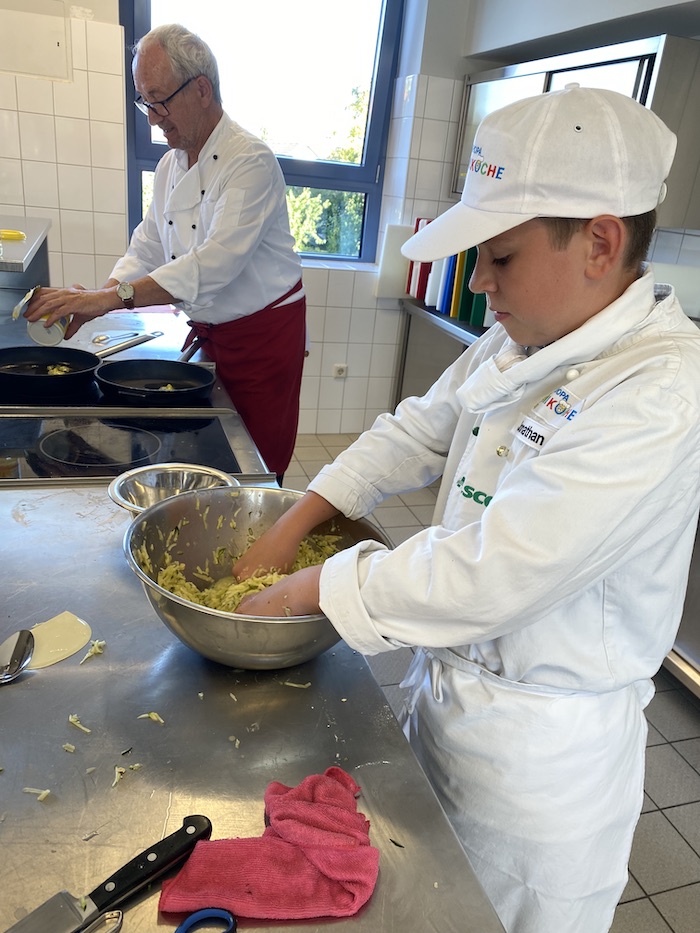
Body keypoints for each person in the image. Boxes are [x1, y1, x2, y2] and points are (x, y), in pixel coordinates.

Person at [231, 85, 700, 933]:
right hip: (447, 716)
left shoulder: (658, 392)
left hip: (538, 780)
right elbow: (416, 429)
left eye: (501, 257)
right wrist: (291, 525)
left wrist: (309, 588)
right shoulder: (522, 337)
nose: (478, 282)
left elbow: (494, 570)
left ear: (600, 243)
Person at [23, 24, 305, 481]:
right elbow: (150, 243)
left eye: (159, 100)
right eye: (144, 102)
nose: (152, 118)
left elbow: (214, 264)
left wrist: (107, 300)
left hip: (262, 339)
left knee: (254, 461)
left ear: (202, 90)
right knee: (208, 449)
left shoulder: (249, 162)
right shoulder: (170, 164)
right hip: (210, 332)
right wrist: (97, 298)